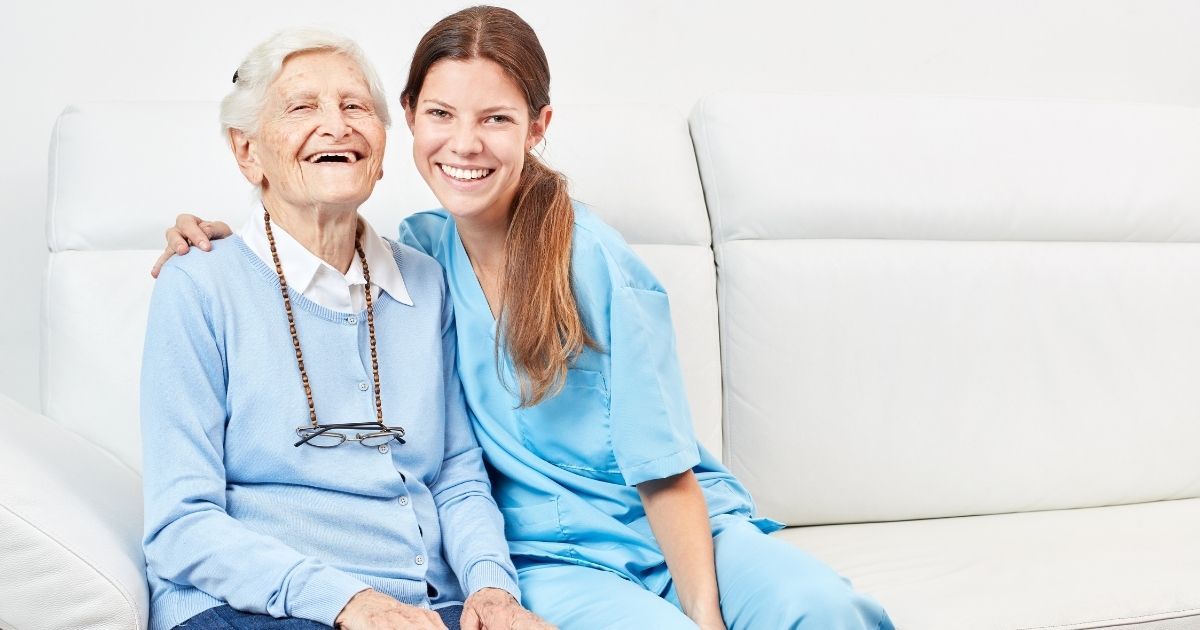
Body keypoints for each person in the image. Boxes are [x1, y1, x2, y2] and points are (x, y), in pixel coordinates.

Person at [153, 7, 894, 629]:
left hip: (646, 536)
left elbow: (643, 472)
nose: (465, 143)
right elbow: (183, 515)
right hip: (538, 558)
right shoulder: (396, 257)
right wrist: (216, 242)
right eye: (441, 114)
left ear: (536, 127)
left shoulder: (513, 265)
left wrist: (699, 614)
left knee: (822, 610)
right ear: (410, 121)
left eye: (353, 106)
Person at [140, 28, 551, 630]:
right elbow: (180, 524)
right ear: (247, 151)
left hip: (419, 607)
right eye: (302, 107)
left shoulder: (427, 283)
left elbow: (458, 475)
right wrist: (346, 602)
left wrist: (491, 588)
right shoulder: (200, 284)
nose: (337, 126)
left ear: (383, 150)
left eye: (356, 106)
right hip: (251, 605)